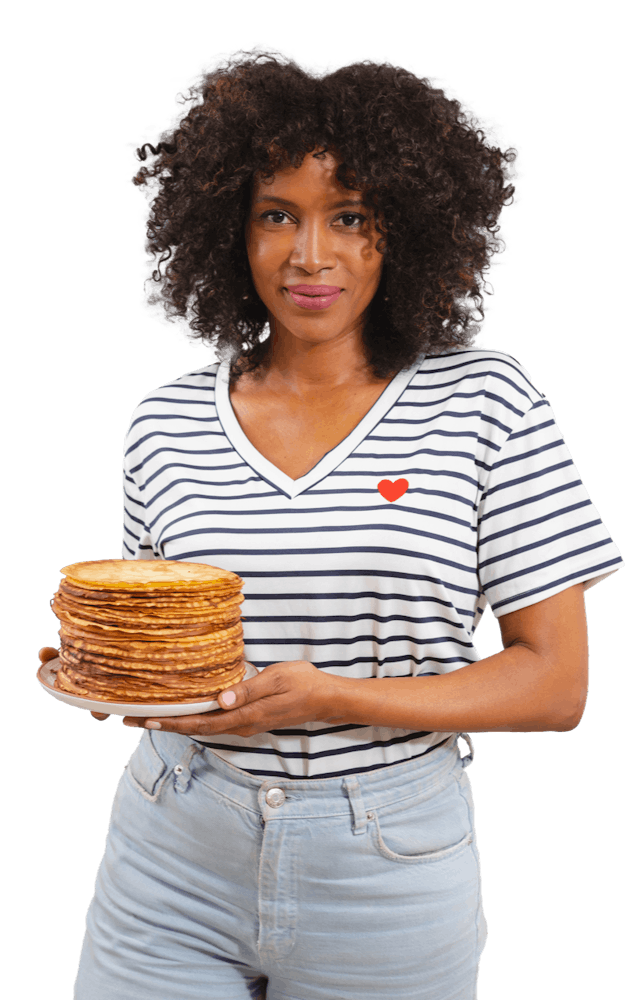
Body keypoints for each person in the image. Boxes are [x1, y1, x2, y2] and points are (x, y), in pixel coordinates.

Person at [40, 43, 624, 1000]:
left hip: (386, 861)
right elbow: (160, 647)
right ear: (229, 230)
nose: (311, 256)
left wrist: (338, 698)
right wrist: (113, 675)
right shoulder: (165, 420)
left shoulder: (487, 402)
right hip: (171, 840)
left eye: (349, 218)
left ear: (406, 232)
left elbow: (554, 685)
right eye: (278, 216)